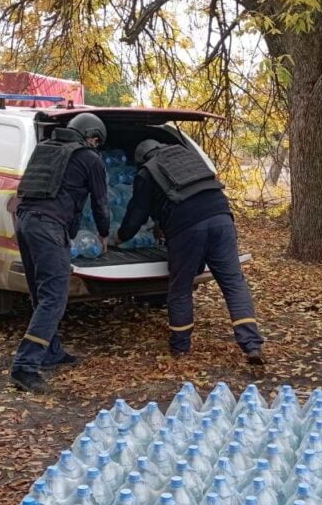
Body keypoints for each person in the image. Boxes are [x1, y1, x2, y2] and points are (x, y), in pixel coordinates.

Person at [114, 137, 265, 364]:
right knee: (234, 283)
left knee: (180, 287)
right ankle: (252, 345)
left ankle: (180, 347)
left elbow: (137, 214)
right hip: (222, 218)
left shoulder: (147, 172)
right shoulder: (188, 156)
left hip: (187, 229)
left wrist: (120, 238)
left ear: (141, 158)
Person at [9, 112, 111, 394]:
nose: (95, 144)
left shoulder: (44, 149)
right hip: (50, 228)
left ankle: (52, 351)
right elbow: (101, 202)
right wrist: (104, 233)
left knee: (41, 294)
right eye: (95, 140)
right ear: (90, 135)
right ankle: (24, 367)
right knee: (55, 297)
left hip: (26, 222)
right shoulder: (90, 158)